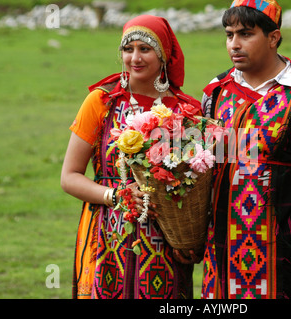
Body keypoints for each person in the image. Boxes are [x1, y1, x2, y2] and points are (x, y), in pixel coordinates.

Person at [199, 0, 291, 299]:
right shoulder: (216, 90)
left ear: (273, 37)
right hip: (222, 236)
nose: (234, 44)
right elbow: (204, 163)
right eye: (229, 34)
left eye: (246, 34)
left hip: (283, 238)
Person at [60, 15, 202, 299]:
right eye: (128, 49)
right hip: (106, 234)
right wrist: (116, 196)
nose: (134, 58)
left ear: (163, 55)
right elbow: (69, 177)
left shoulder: (186, 111)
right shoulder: (101, 101)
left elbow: (196, 185)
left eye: (145, 49)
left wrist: (190, 240)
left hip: (167, 240)